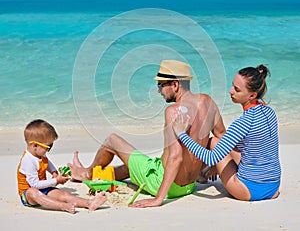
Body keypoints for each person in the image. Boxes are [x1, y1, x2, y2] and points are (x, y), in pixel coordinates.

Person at [68, 60, 226, 208]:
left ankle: (87, 173)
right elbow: (223, 137)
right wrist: (214, 166)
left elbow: (175, 157)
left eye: (161, 85)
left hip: (166, 184)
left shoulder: (173, 111)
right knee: (132, 167)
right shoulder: (208, 102)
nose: (158, 91)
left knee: (112, 141)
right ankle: (99, 176)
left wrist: (158, 199)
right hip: (189, 185)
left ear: (175, 85)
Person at [172, 64, 281, 201]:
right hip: (273, 187)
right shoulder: (270, 112)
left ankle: (203, 173)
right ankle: (207, 172)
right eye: (232, 86)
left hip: (248, 190)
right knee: (224, 143)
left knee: (213, 141)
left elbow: (211, 158)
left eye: (236, 89)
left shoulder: (244, 123)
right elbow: (252, 148)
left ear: (252, 95)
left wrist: (181, 134)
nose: (230, 91)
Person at [17, 119, 108, 214]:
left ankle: (89, 203)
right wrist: (56, 181)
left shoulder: (39, 154)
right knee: (34, 192)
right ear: (35, 145)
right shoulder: (28, 161)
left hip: (42, 189)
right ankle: (63, 206)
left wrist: (53, 172)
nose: (49, 150)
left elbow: (47, 162)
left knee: (63, 195)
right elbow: (34, 185)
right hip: (27, 195)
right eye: (49, 147)